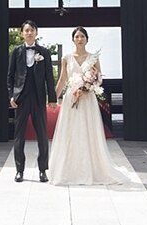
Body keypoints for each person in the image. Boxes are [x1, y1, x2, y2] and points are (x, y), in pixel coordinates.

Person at [49, 26, 129, 186]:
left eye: (82, 36)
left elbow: (99, 78)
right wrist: (53, 98)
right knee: (71, 132)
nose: (80, 39)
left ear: (87, 39)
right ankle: (68, 169)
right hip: (71, 98)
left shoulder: (93, 58)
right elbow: (62, 79)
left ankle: (92, 168)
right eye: (77, 36)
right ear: (73, 39)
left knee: (88, 131)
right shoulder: (67, 58)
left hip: (87, 99)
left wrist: (87, 87)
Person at [7, 19, 57, 183]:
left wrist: (52, 98)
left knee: (42, 135)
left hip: (38, 97)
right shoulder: (16, 51)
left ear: (36, 33)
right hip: (21, 98)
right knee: (19, 135)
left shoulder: (44, 52)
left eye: (32, 30)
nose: (29, 33)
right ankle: (19, 171)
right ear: (22, 33)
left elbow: (49, 76)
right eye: (26, 30)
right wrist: (11, 96)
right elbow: (10, 76)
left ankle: (43, 170)